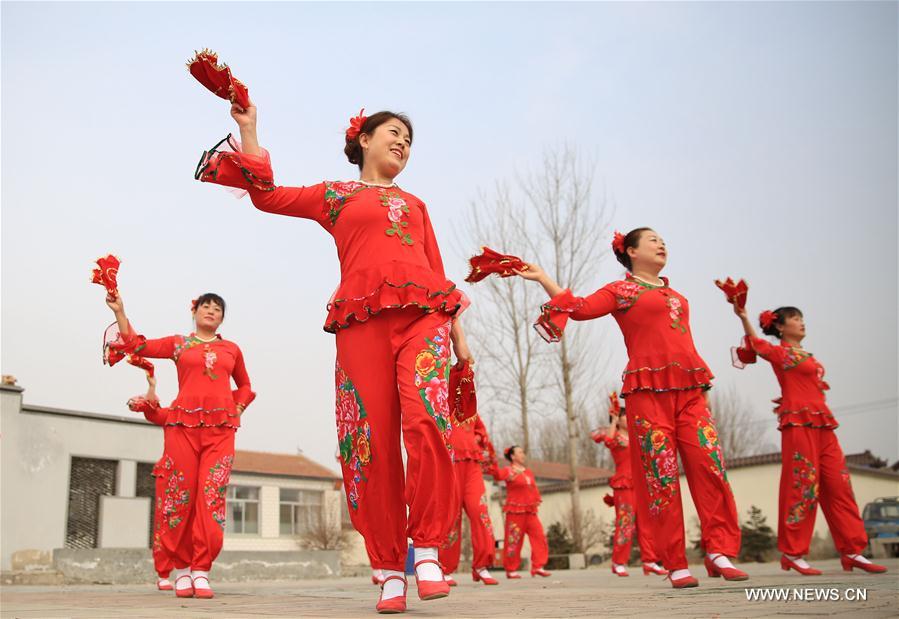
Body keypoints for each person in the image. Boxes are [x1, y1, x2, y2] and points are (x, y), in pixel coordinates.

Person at [196, 102, 472, 613]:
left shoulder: (416, 204)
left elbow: (437, 268)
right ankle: (390, 567)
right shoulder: (335, 196)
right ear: (363, 140)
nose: (403, 143)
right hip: (360, 323)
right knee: (371, 444)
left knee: (427, 420)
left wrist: (458, 333)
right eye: (394, 132)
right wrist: (249, 128)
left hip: (423, 320)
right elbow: (270, 197)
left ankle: (428, 548)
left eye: (409, 139)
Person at [515, 228, 745, 588]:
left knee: (710, 466)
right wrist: (544, 277)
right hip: (647, 393)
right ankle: (675, 562)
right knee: (661, 476)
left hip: (690, 391)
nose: (661, 243)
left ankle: (719, 550)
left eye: (663, 239)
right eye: (652, 239)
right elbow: (580, 309)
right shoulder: (621, 291)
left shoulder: (676, 295)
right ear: (632, 251)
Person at [106, 292, 255, 598]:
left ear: (222, 318)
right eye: (206, 307)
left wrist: (237, 408)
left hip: (221, 430)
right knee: (179, 498)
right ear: (195, 312)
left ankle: (202, 570)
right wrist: (120, 311)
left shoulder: (232, 349)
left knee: (211, 497)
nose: (211, 312)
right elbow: (138, 345)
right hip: (182, 428)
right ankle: (183, 569)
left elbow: (245, 386)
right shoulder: (179, 344)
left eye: (217, 309)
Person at [730, 304, 887, 575]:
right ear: (780, 326)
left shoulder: (807, 355)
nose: (802, 323)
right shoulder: (780, 353)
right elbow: (756, 344)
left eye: (802, 318)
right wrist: (743, 316)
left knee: (840, 485)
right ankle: (793, 553)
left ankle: (852, 551)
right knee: (802, 485)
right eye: (795, 319)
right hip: (797, 424)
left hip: (823, 424)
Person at [591, 392, 666, 578]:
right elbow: (605, 440)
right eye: (625, 416)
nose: (629, 418)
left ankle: (650, 561)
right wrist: (613, 420)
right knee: (625, 524)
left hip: (640, 483)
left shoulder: (635, 436)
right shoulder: (615, 437)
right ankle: (618, 562)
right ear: (618, 420)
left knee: (646, 524)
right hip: (624, 485)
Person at [127, 374, 175, 591]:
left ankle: (195, 571)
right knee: (165, 522)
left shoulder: (205, 417)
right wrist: (152, 386)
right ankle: (163, 572)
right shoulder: (173, 415)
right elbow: (151, 411)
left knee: (194, 522)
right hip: (170, 474)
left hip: (194, 475)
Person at [491, 446, 551, 579]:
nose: (523, 454)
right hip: (515, 512)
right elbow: (497, 476)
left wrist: (535, 501)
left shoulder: (528, 472)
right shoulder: (508, 470)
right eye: (520, 452)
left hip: (530, 511)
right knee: (514, 541)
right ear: (512, 456)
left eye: (523, 452)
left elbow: (533, 489)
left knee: (540, 537)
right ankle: (511, 569)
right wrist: (492, 461)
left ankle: (538, 566)